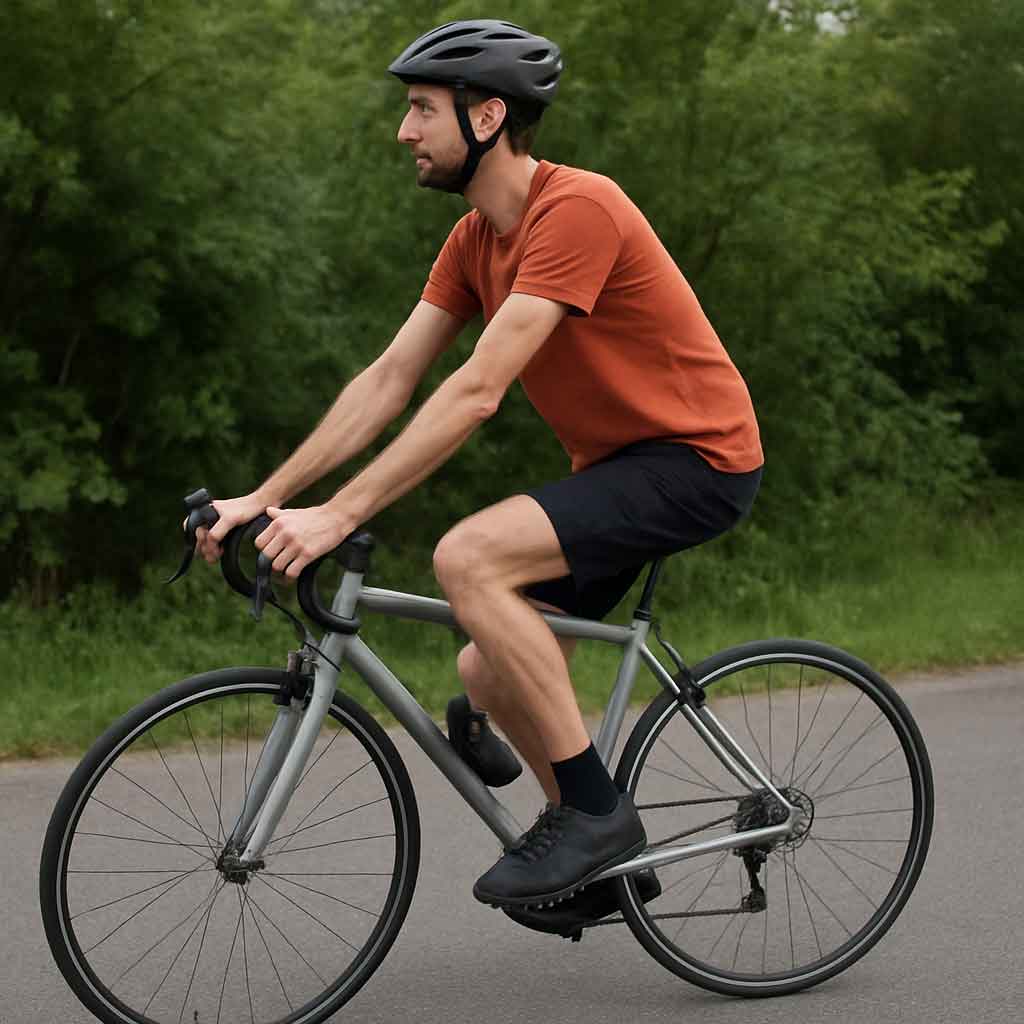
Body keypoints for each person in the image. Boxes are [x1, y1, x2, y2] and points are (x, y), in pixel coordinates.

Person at [194, 19, 763, 935]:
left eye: (422, 109)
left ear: (488, 117)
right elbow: (389, 380)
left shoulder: (578, 209)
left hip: (696, 460)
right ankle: (598, 869)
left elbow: (478, 389)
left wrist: (338, 514)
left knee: (469, 557)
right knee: (482, 667)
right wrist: (266, 498)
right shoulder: (472, 242)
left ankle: (593, 814)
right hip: (618, 467)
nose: (404, 131)